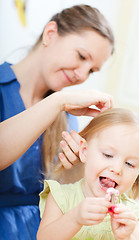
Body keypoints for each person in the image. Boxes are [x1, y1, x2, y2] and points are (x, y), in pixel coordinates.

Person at [0, 4, 115, 240]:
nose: (82, 75)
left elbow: (65, 192)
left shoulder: (66, 116)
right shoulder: (60, 103)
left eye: (91, 70)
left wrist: (79, 167)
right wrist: (59, 101)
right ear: (50, 33)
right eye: (81, 56)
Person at [37, 108, 139, 240]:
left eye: (130, 164)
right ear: (85, 151)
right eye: (108, 155)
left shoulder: (132, 213)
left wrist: (126, 237)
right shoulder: (61, 197)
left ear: (138, 172)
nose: (117, 169)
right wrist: (74, 218)